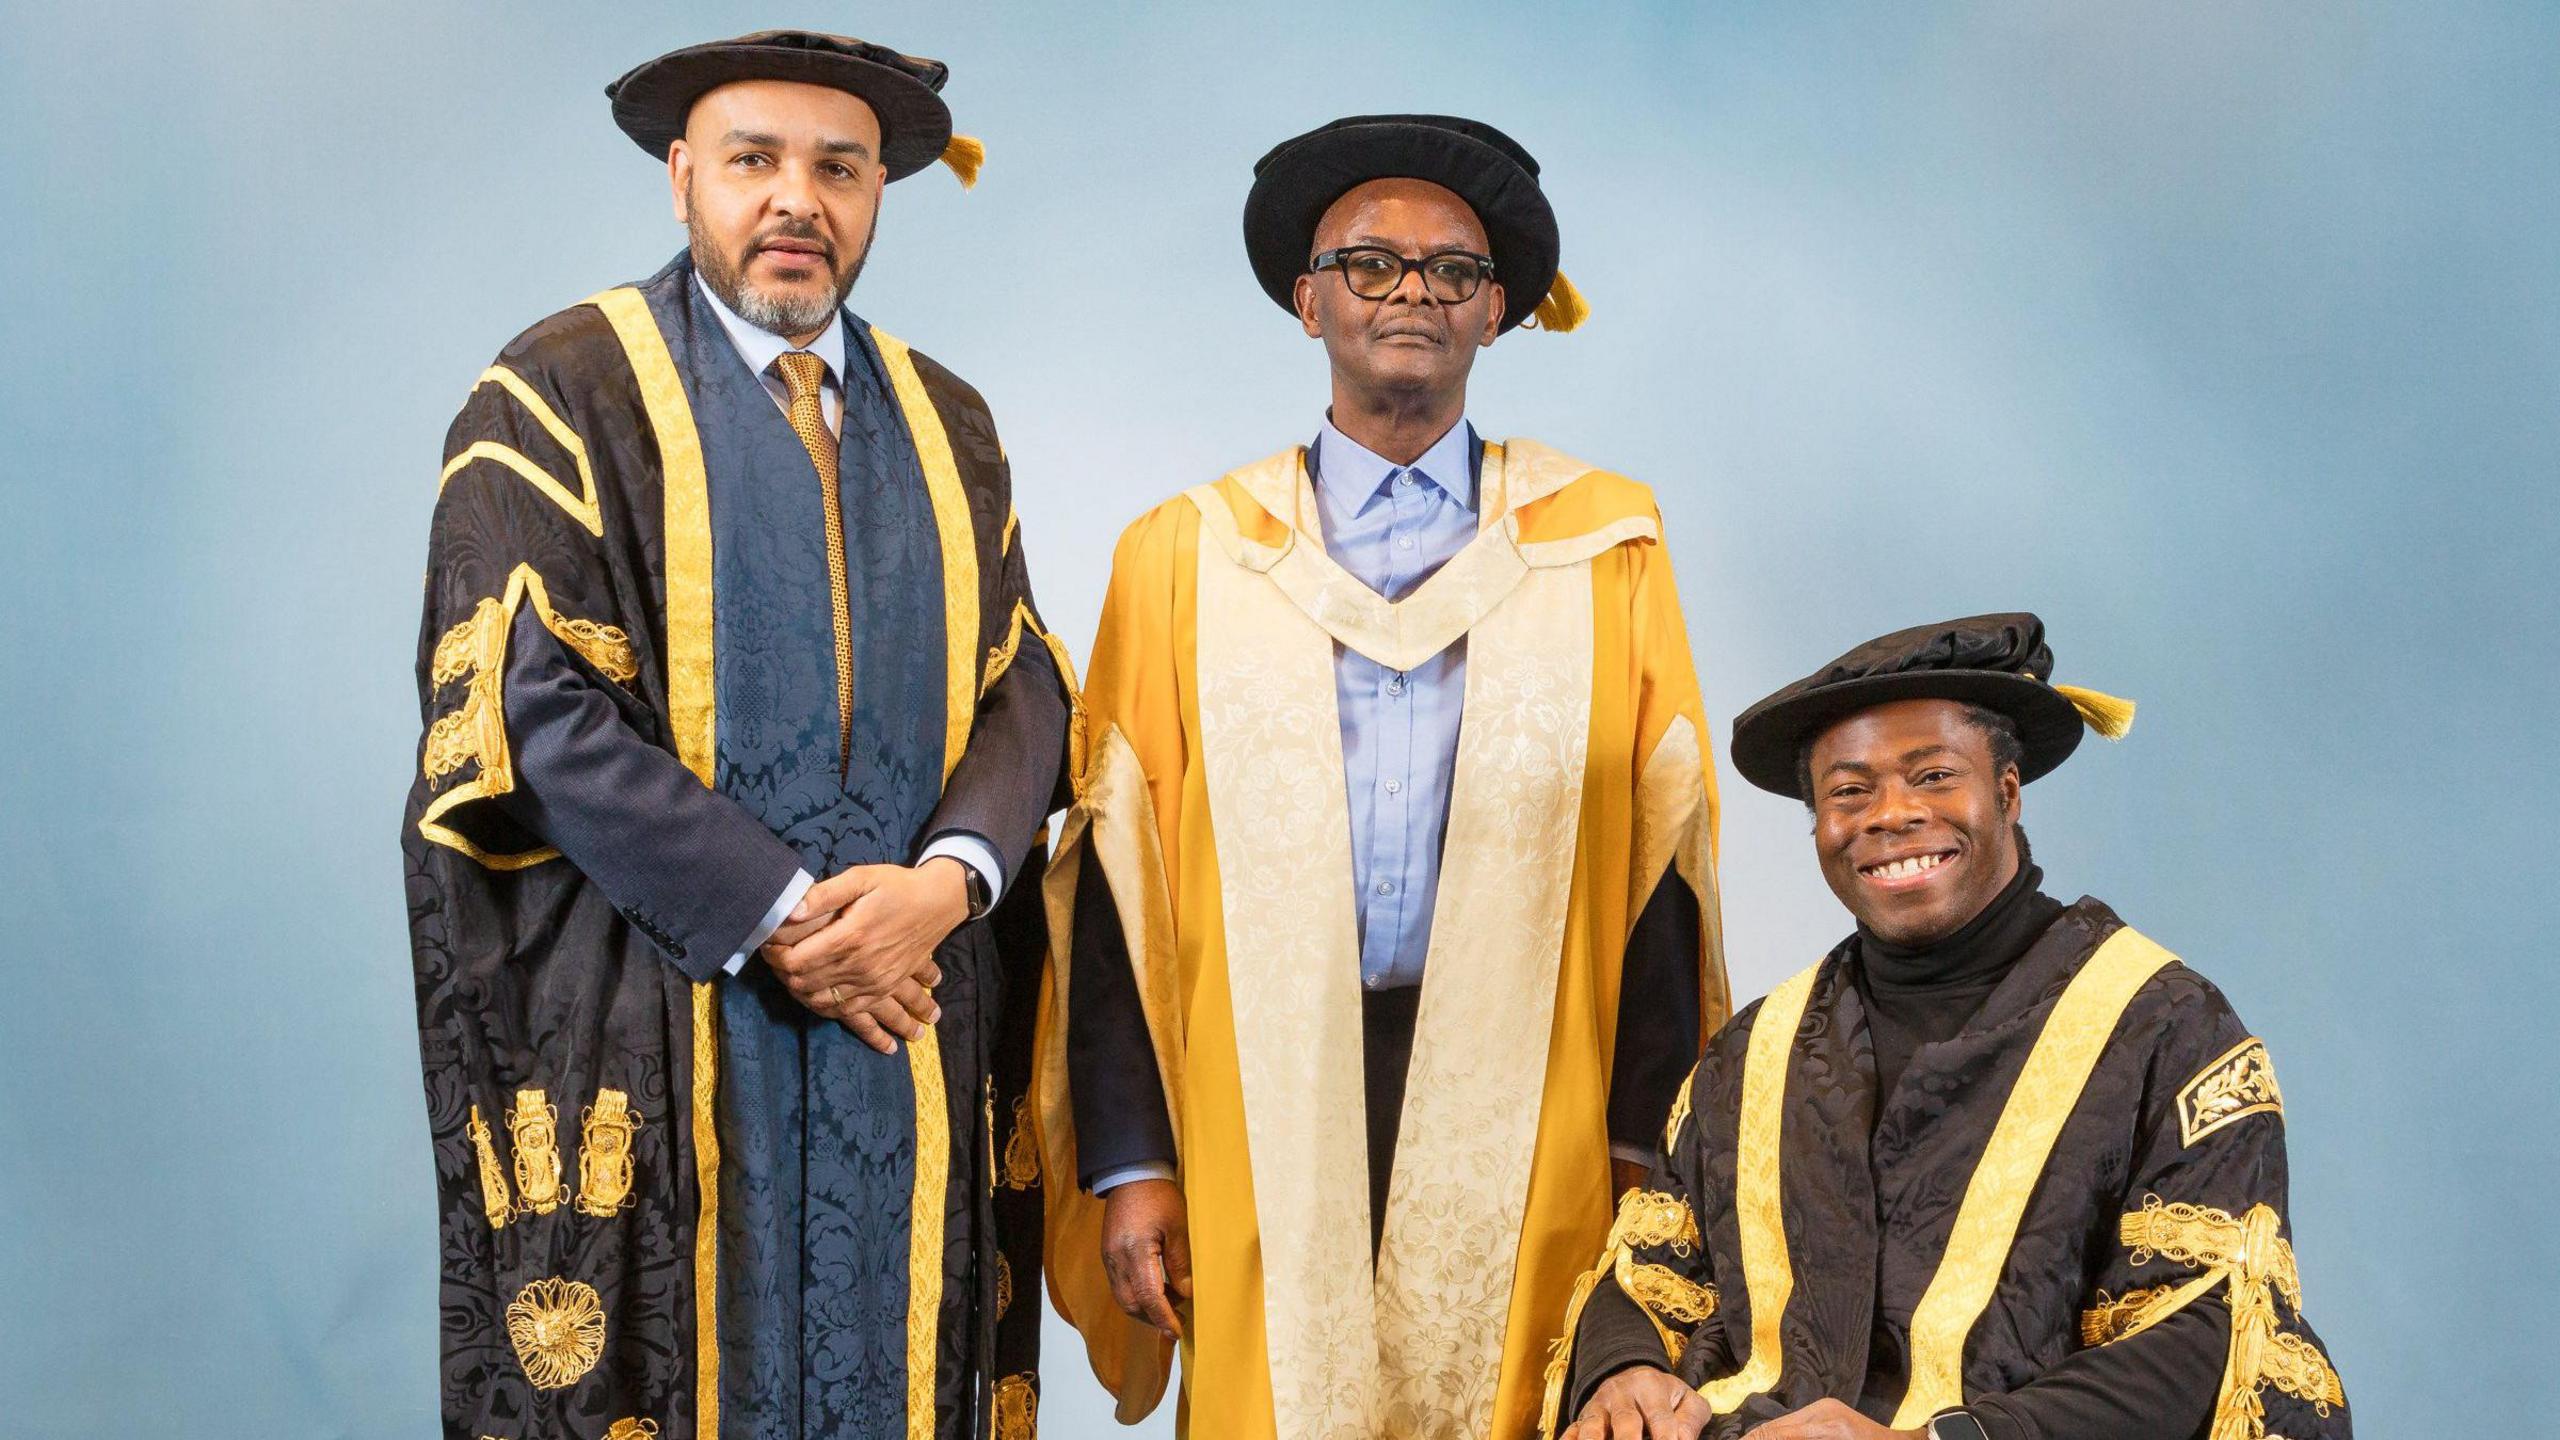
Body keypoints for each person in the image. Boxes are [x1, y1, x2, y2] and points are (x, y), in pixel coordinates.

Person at [400, 31, 1068, 1440]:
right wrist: (785, 917)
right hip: (665, 1018)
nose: (796, 201)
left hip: (911, 1020)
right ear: (682, 176)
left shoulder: (950, 424)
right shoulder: (560, 391)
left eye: (839, 168)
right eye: (755, 162)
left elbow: (1027, 685)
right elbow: (526, 701)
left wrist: (944, 888)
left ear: (882, 189)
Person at [1034, 114, 1731, 1440]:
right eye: (1371, 263)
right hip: (1259, 1084)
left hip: (1537, 1090)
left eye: (1454, 271)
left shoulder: (1606, 547)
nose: (1414, 290)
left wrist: (1647, 1160)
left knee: (1527, 1388)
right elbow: (1118, 876)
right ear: (1309, 302)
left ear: (1501, 314)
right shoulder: (1183, 557)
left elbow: (1662, 875)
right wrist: (1133, 1164)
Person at [1545, 614, 2349, 1440]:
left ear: (2006, 793)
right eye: (1848, 791)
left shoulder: (2165, 1027)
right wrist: (1623, 1368)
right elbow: (1649, 1271)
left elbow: (2201, 1336)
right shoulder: (1755, 1052)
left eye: (1931, 777)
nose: (1890, 815)